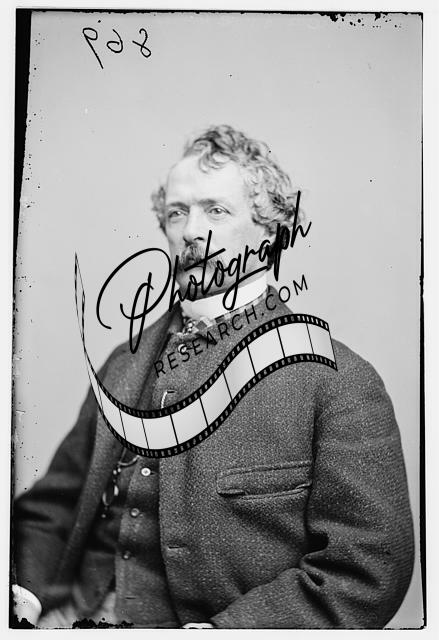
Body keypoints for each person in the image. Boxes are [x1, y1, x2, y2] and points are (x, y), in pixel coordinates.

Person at [12, 125, 414, 629]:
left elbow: (368, 569)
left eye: (216, 211)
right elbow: (53, 506)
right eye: (177, 212)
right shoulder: (123, 363)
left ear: (271, 232)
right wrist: (23, 595)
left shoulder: (336, 381)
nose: (190, 231)